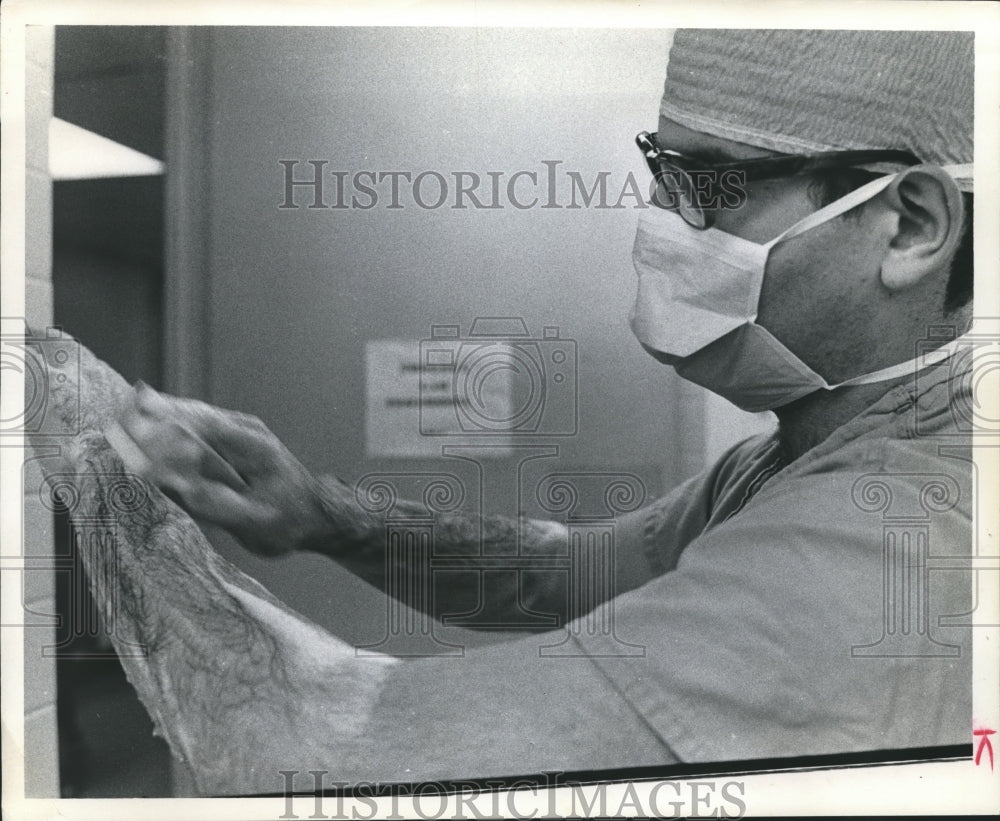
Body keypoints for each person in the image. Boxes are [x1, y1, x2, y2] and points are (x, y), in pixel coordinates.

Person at [112, 29, 975, 779]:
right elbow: (562, 570)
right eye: (661, 173)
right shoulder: (782, 459)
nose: (660, 222)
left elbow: (361, 752)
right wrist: (322, 512)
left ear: (909, 226)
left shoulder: (890, 529)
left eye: (711, 186)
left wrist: (106, 501)